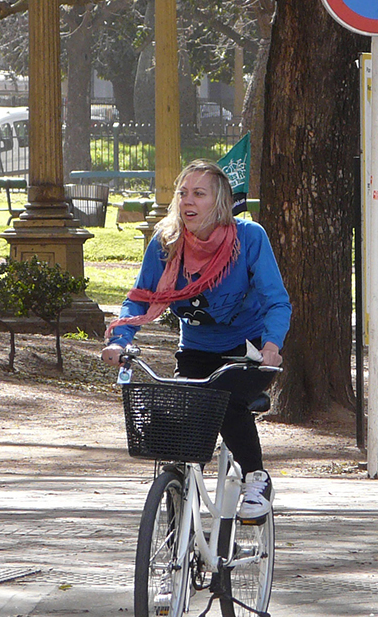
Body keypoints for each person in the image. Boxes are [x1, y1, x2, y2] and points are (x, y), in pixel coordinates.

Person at [101, 160, 291, 523]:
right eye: (183, 193)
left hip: (247, 350)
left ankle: (257, 478)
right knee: (180, 431)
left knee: (225, 401)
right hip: (196, 351)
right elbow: (140, 297)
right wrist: (120, 340)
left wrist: (272, 345)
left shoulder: (249, 237)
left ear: (218, 202)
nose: (188, 201)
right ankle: (179, 529)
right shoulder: (166, 241)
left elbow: (275, 300)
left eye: (199, 194)